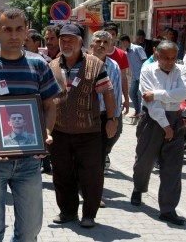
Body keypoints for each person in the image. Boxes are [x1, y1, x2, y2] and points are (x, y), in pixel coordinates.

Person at [0, 8, 61, 241]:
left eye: (19, 29)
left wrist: (45, 134)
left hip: (29, 162)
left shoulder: (38, 65)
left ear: (27, 31)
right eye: (7, 29)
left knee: (29, 232)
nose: (14, 35)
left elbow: (50, 106)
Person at [49, 24, 117, 228]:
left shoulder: (95, 64)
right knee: (61, 173)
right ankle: (68, 212)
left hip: (89, 131)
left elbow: (108, 93)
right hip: (59, 131)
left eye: (71, 39)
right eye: (63, 39)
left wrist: (112, 119)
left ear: (80, 42)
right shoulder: (52, 66)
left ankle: (89, 214)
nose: (66, 43)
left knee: (91, 174)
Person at [131, 40, 186, 226]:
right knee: (144, 160)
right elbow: (151, 104)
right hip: (153, 121)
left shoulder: (178, 71)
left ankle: (168, 209)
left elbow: (183, 94)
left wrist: (157, 94)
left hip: (175, 118)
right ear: (157, 55)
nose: (170, 62)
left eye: (173, 58)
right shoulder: (148, 70)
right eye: (166, 58)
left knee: (173, 166)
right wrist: (165, 125)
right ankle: (139, 188)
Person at [89, 31, 123, 206]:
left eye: (105, 42)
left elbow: (116, 94)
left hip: (104, 117)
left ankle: (95, 194)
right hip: (85, 118)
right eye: (98, 41)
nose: (101, 44)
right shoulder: (82, 63)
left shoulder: (114, 66)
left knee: (99, 158)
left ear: (110, 46)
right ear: (91, 44)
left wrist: (114, 119)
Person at [103, 23, 130, 116]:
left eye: (113, 34)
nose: (110, 37)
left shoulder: (122, 54)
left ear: (116, 36)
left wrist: (126, 98)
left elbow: (123, 78)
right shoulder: (96, 53)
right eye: (107, 34)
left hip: (115, 99)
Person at [119, 34, 147, 117]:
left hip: (141, 75)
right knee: (131, 93)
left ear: (125, 42)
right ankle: (137, 111)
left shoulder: (137, 48)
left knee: (139, 94)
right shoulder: (126, 52)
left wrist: (144, 73)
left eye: (122, 43)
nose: (121, 45)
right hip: (135, 76)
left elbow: (144, 60)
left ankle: (141, 113)